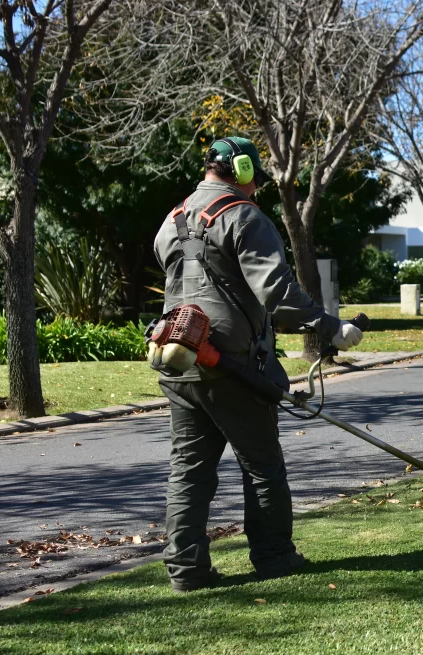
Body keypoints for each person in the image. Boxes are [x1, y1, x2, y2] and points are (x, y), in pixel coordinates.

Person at [153, 136, 364, 592]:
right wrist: (330, 327)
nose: (256, 190)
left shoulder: (171, 221)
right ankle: (274, 556)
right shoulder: (245, 216)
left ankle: (187, 569)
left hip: (180, 358)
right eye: (254, 180)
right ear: (243, 171)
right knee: (262, 465)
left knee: (189, 468)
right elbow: (279, 295)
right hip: (232, 367)